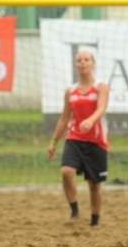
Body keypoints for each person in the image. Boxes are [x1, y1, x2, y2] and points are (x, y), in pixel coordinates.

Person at [46, 50, 109, 227]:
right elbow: (64, 118)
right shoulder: (71, 91)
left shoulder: (100, 86)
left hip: (96, 140)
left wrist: (90, 120)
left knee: (94, 184)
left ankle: (94, 220)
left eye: (86, 59)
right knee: (66, 171)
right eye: (79, 60)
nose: (83, 62)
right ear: (75, 66)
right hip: (75, 137)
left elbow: (101, 108)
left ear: (93, 64)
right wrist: (53, 142)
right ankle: (74, 210)